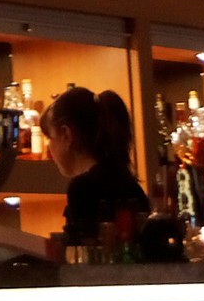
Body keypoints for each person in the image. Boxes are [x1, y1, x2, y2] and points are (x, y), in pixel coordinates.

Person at [42, 84, 149, 257]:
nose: (50, 147)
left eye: (50, 138)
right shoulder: (129, 184)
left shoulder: (83, 188)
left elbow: (82, 255)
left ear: (66, 135)